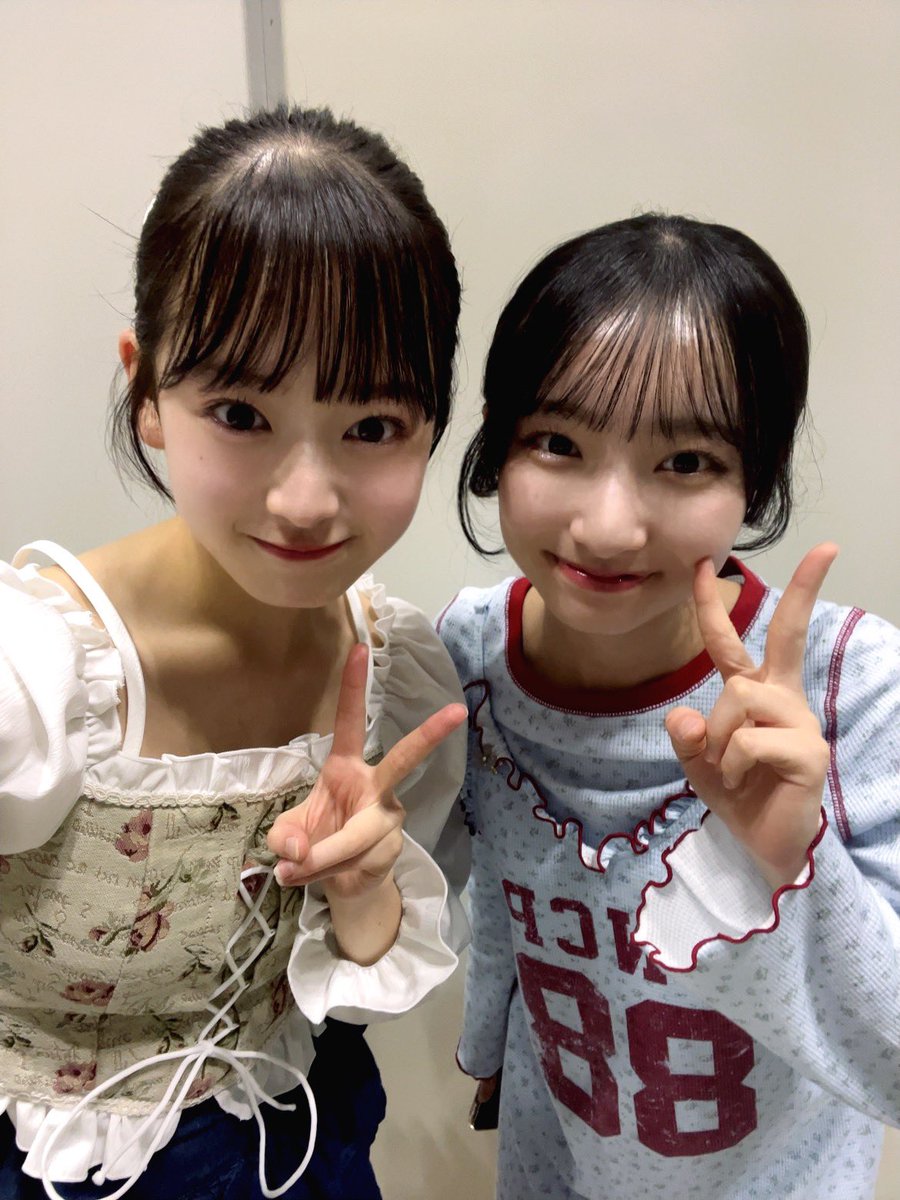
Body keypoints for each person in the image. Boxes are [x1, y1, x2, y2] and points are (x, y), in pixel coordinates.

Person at [0, 105, 471, 1200]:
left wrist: (362, 888)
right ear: (147, 393)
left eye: (372, 427)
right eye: (239, 412)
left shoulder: (394, 671)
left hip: (296, 1150)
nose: (305, 501)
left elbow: (357, 980)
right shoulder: (33, 671)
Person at [438, 214, 900, 1200]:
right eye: (556, 442)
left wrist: (793, 861)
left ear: (755, 479)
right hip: (553, 1167)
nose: (608, 527)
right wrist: (486, 1049)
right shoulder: (470, 657)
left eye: (685, 461)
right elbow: (501, 898)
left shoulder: (850, 689)